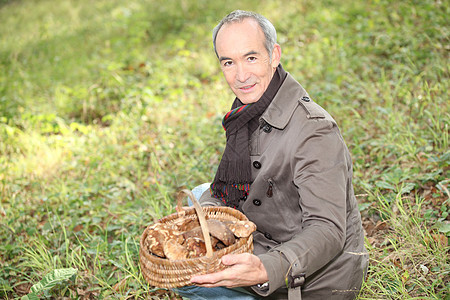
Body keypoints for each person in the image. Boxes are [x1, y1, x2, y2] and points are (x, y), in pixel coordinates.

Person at [175, 10, 368, 300]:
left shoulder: (315, 131)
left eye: (251, 57)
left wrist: (265, 268)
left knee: (195, 280)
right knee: (200, 201)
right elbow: (227, 189)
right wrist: (197, 224)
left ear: (274, 55)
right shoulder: (248, 112)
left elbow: (327, 230)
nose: (241, 75)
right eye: (229, 62)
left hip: (313, 281)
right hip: (268, 232)